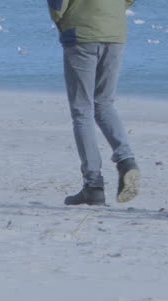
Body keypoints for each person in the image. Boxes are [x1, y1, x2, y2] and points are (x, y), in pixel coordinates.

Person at [48, 0, 141, 206]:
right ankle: (126, 159)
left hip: (81, 34)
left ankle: (93, 185)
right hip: (114, 33)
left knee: (82, 110)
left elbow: (57, 6)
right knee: (104, 103)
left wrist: (61, 20)